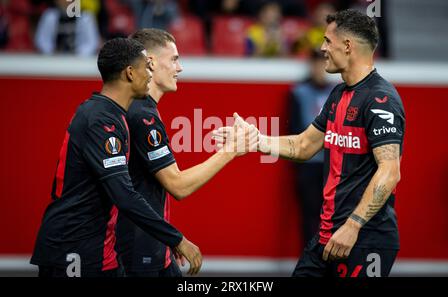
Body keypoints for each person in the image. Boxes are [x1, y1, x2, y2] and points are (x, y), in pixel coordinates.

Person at [215, 9, 405, 277]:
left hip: (365, 239)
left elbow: (390, 171)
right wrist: (256, 140)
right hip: (328, 236)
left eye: (328, 41)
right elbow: (304, 146)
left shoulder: (380, 99)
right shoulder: (339, 94)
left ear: (348, 46)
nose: (321, 47)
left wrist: (353, 226)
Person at [30, 38, 202, 277]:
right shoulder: (101, 121)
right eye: (147, 67)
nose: (150, 73)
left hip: (96, 249)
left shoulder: (110, 114)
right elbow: (124, 195)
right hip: (74, 251)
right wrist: (176, 238)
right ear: (130, 73)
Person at [115, 28, 257, 277]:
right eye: (174, 59)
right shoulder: (142, 115)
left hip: (151, 241)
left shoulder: (140, 109)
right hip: (137, 247)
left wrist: (168, 236)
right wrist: (231, 150)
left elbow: (144, 186)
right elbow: (178, 186)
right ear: (150, 62)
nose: (179, 68)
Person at [289, 48, 335, 246]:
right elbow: (295, 130)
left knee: (332, 215)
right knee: (309, 214)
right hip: (308, 165)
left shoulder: (338, 92)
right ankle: (309, 260)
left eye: (323, 63)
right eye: (316, 63)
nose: (320, 68)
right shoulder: (299, 92)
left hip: (333, 165)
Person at [34, 0, 100, 56]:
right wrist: (51, 52)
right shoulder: (49, 15)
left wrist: (79, 54)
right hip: (53, 60)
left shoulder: (86, 17)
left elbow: (91, 43)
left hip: (79, 61)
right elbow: (42, 40)